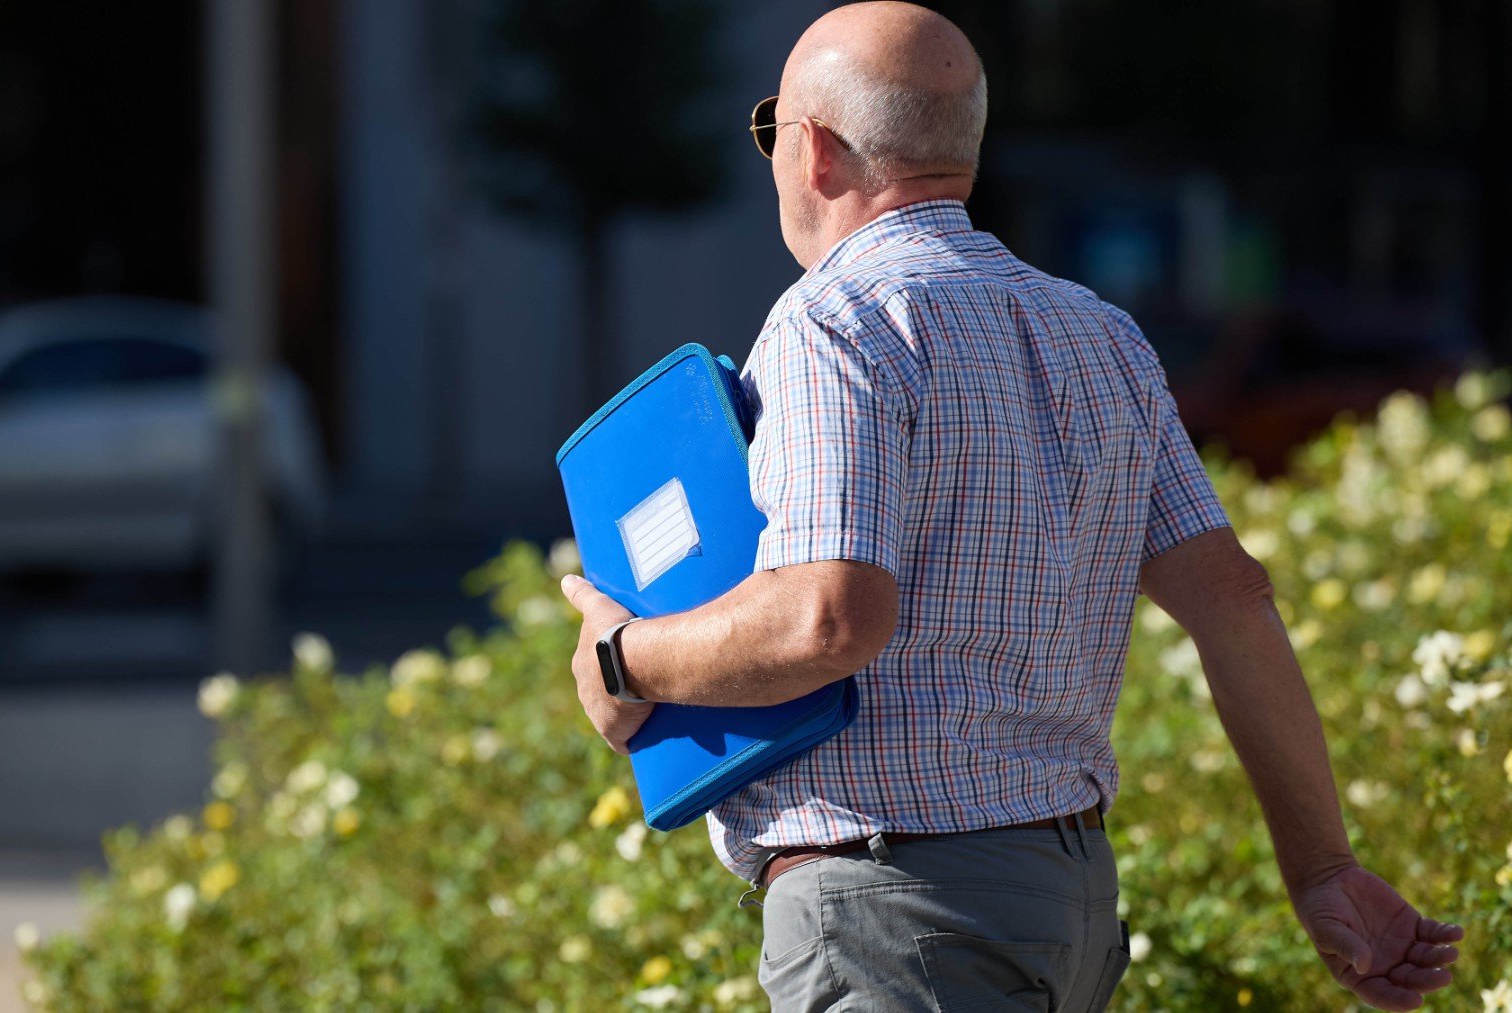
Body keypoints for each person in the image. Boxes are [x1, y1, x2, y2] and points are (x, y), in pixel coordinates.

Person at [559, 3, 1463, 1009]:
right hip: (1068, 898)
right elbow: (1234, 601)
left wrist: (620, 656)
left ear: (813, 151)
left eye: (774, 128)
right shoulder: (1101, 333)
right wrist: (1323, 867)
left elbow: (830, 616)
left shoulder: (834, 321)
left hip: (894, 910)